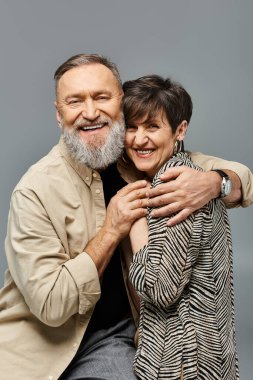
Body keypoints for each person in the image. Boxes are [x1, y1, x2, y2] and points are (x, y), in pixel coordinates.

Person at [0, 54, 252, 380]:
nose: (90, 112)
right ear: (59, 115)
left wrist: (216, 182)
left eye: (101, 97)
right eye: (75, 101)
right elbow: (52, 306)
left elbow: (243, 178)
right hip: (39, 348)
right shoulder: (33, 191)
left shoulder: (135, 155)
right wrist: (111, 230)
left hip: (113, 338)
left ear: (120, 103)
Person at [122, 74, 242, 379]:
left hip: (180, 359)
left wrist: (134, 217)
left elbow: (161, 289)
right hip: (206, 352)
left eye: (152, 126)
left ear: (180, 130)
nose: (139, 139)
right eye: (131, 127)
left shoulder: (174, 182)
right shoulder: (190, 175)